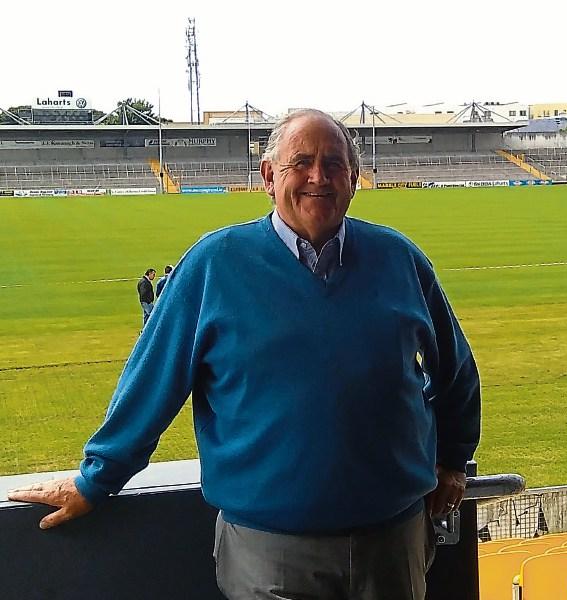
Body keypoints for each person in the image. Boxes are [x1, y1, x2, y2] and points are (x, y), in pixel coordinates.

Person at [8, 109, 481, 600]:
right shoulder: (214, 264)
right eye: (302, 162)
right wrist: (95, 480)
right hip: (268, 554)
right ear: (269, 176)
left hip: (392, 543)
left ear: (353, 178)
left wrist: (453, 459)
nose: (318, 177)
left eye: (334, 164)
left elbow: (456, 372)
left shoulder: (400, 258)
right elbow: (153, 381)